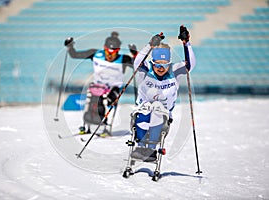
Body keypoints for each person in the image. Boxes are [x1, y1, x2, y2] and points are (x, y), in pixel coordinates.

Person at [130, 25, 196, 162]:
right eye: (157, 64)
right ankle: (141, 147)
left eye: (165, 64)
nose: (161, 68)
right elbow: (137, 62)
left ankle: (151, 150)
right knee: (147, 110)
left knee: (157, 109)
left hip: (164, 116)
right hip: (142, 112)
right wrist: (150, 45)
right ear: (152, 62)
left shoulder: (174, 70)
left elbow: (190, 65)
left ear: (169, 63)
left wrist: (186, 43)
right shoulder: (146, 69)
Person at [64, 32, 137, 137]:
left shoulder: (123, 59)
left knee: (106, 100)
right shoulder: (96, 54)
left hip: (114, 88)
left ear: (118, 51)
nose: (110, 55)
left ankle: (106, 128)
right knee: (90, 98)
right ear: (104, 48)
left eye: (114, 52)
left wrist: (135, 54)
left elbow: (138, 65)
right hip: (97, 86)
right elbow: (74, 54)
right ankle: (85, 126)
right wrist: (69, 46)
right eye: (108, 52)